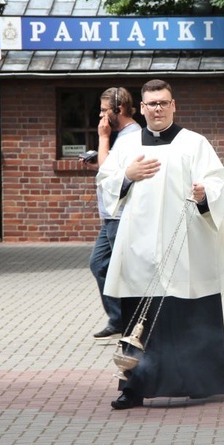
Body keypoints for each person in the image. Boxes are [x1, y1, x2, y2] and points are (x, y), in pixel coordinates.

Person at [97, 79, 224, 410]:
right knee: (138, 317)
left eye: (163, 103)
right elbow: (105, 182)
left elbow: (217, 181)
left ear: (173, 105)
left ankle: (196, 382)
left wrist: (206, 194)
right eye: (151, 104)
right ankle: (133, 387)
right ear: (143, 108)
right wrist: (127, 176)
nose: (158, 109)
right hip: (139, 248)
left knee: (187, 314)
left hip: (186, 246)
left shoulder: (194, 143)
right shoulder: (127, 145)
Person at [88, 87, 142, 341]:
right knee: (99, 264)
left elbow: (107, 170)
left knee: (121, 269)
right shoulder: (122, 135)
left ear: (118, 110)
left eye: (103, 110)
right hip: (111, 214)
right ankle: (118, 318)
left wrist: (102, 138)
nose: (100, 115)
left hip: (120, 214)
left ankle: (130, 322)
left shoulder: (131, 136)